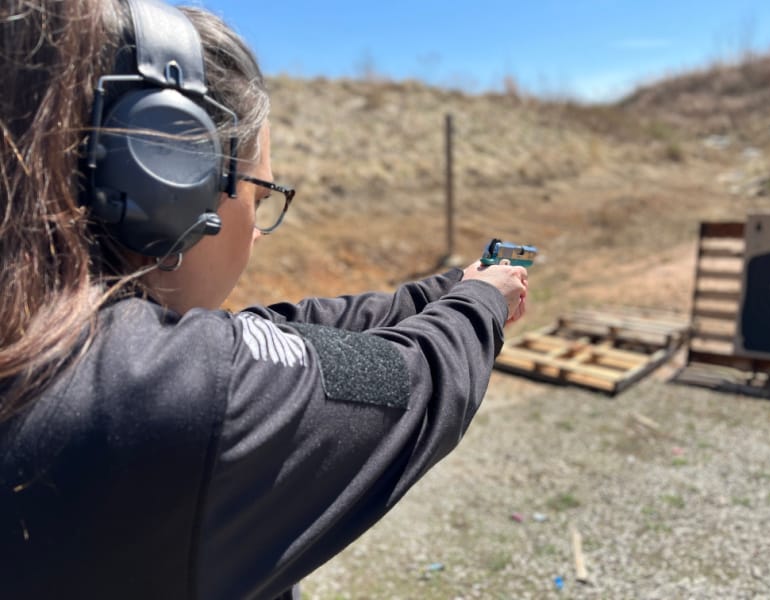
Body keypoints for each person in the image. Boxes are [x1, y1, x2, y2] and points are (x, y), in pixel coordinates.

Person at [0, 1, 528, 599]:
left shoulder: (70, 350)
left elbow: (291, 334)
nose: (256, 227)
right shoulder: (151, 391)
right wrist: (483, 304)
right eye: (259, 191)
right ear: (166, 178)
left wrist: (450, 288)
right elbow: (412, 381)